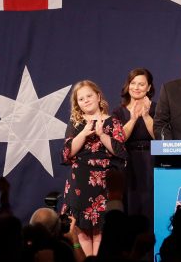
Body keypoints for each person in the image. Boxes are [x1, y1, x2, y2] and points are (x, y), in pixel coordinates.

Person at [61, 80, 127, 256]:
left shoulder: (113, 122)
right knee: (81, 230)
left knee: (100, 229)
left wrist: (101, 135)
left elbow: (121, 152)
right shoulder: (75, 123)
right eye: (81, 99)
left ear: (98, 96)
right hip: (79, 182)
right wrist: (83, 134)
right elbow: (67, 153)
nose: (86, 100)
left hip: (103, 180)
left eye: (89, 96)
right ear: (77, 104)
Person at [111, 68, 156, 221]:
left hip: (152, 160)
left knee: (151, 201)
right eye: (133, 83)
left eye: (141, 84)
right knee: (131, 201)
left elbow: (159, 137)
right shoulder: (118, 111)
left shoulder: (157, 108)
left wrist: (146, 115)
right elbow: (118, 139)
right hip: (128, 161)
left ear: (149, 87)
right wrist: (133, 118)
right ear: (128, 85)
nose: (136, 87)